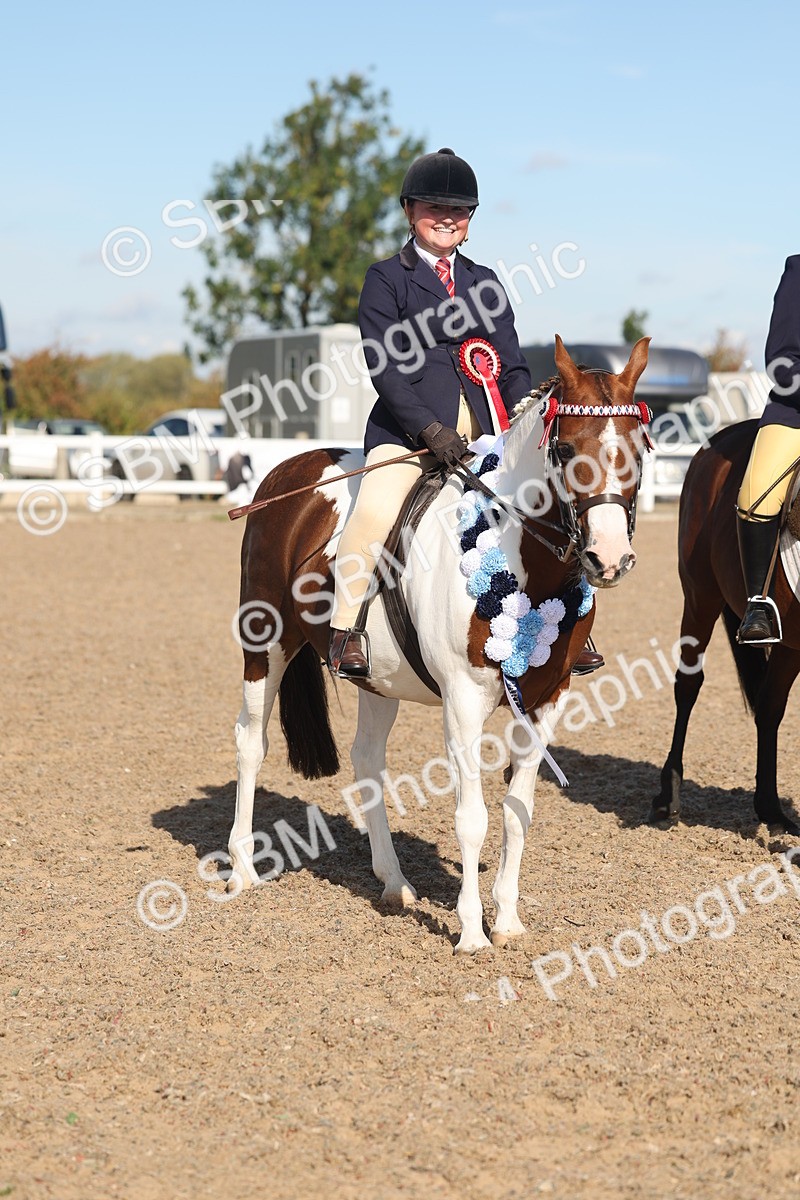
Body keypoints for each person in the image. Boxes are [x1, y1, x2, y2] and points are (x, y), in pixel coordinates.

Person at [328, 147, 603, 679]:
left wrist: (522, 422)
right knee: (374, 514)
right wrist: (429, 430)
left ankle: (576, 623)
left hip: (487, 436)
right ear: (410, 211)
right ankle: (348, 630)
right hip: (408, 435)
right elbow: (383, 368)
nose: (447, 218)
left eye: (458, 210)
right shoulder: (386, 278)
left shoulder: (485, 282)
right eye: (434, 207)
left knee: (558, 508)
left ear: (470, 221)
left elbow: (514, 365)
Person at [736, 255, 800, 644]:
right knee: (756, 496)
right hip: (795, 411)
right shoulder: (798, 271)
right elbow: (782, 361)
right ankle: (758, 603)